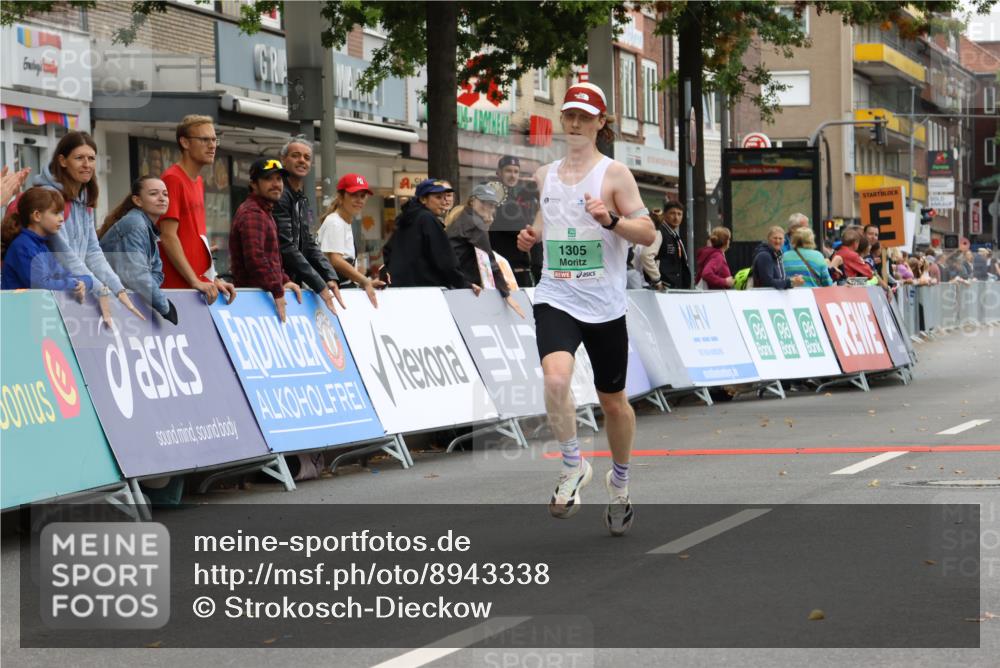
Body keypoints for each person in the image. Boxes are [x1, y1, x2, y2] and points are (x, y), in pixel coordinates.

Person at [516, 82, 656, 536]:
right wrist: (532, 236)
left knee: (613, 403)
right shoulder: (545, 175)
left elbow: (647, 233)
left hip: (605, 304)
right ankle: (573, 466)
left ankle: (620, 484)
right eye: (569, 115)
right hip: (556, 295)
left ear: (600, 123)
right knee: (555, 377)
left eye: (584, 116)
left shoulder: (615, 175)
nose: (574, 123)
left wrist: (611, 220)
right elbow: (547, 221)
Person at [33, 131, 144, 325]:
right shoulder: (48, 196)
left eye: (91, 158)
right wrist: (100, 289)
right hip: (47, 294)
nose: (87, 164)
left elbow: (93, 251)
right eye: (79, 158)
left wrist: (117, 288)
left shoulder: (84, 196)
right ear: (63, 160)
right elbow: (64, 255)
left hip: (75, 289)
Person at [157, 115, 236, 305]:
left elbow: (194, 238)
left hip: (197, 289)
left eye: (214, 139)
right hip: (178, 291)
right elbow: (168, 236)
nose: (212, 145)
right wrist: (194, 280)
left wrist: (213, 279)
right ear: (184, 142)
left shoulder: (199, 181)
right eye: (204, 139)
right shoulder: (173, 178)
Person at [272, 136, 345, 314]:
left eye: (306, 157)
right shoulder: (280, 195)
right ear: (283, 160)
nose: (302, 161)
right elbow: (286, 245)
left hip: (292, 282)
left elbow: (308, 242)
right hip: (277, 283)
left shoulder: (299, 197)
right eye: (296, 155)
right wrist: (319, 283)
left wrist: (329, 276)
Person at [229, 158, 302, 322]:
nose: (276, 184)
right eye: (268, 178)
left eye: (279, 179)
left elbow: (270, 260)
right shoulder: (253, 213)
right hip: (253, 306)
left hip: (261, 301)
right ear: (254, 184)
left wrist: (284, 280)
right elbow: (256, 260)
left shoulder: (263, 211)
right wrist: (278, 290)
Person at [98, 176, 178, 324]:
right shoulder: (135, 224)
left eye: (165, 194)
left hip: (120, 303)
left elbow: (157, 272)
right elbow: (137, 275)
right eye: (154, 194)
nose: (162, 198)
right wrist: (165, 306)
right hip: (102, 305)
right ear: (137, 200)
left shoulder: (146, 227)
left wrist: (147, 290)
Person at [382, 178, 481, 292]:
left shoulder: (405, 218)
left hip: (400, 289)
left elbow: (387, 251)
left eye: (445, 197)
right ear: (423, 199)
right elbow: (445, 260)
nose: (443, 202)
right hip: (427, 291)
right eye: (438, 197)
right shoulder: (427, 219)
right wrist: (464, 284)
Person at [445, 183, 525, 317]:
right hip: (459, 285)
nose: (488, 207)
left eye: (492, 204)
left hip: (451, 282)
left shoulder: (462, 216)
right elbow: (489, 261)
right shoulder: (475, 223)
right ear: (472, 201)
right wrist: (507, 294)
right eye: (484, 202)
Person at [1, 186, 90, 296]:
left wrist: (84, 282)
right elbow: (42, 286)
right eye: (56, 213)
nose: (61, 219)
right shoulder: (23, 246)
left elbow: (63, 275)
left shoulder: (41, 246)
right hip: (17, 310)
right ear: (37, 216)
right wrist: (74, 284)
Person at [317, 173, 386, 306]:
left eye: (363, 196)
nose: (359, 200)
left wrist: (366, 282)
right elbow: (335, 260)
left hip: (339, 291)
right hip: (330, 295)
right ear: (341, 197)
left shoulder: (344, 222)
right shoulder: (335, 222)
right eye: (354, 195)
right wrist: (364, 280)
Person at [488, 155, 541, 287]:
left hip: (511, 266)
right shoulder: (499, 195)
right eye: (508, 171)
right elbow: (521, 228)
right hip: (509, 269)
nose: (513, 175)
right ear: (498, 173)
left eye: (516, 171)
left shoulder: (513, 196)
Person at [640, 200, 690, 290]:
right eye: (672, 213)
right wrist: (657, 280)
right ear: (665, 215)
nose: (676, 217)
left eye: (679, 214)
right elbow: (646, 255)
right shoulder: (660, 232)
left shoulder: (673, 234)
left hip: (673, 287)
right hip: (664, 289)